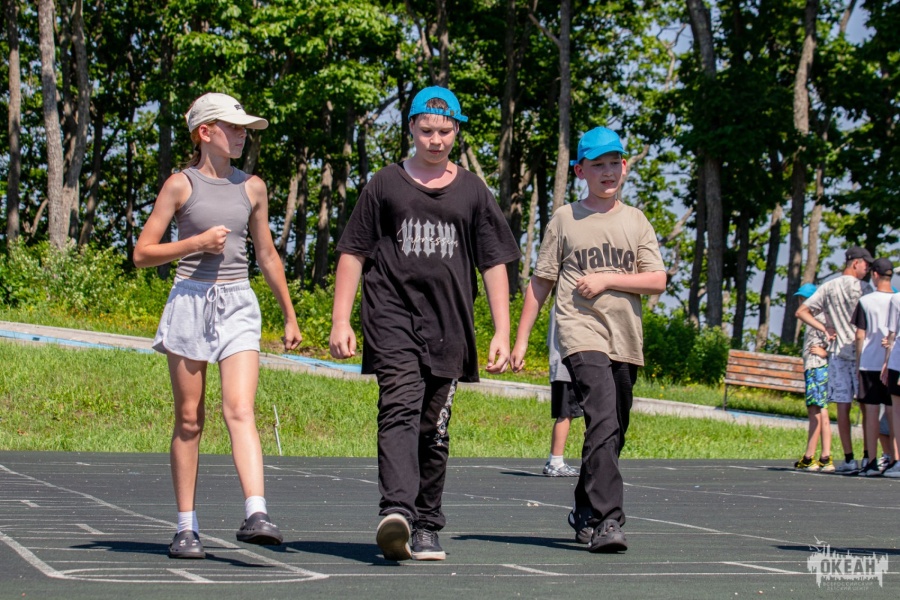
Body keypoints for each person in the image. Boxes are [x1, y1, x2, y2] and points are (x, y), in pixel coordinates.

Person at [328, 86, 521, 562]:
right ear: (411, 128)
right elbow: (353, 252)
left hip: (450, 325)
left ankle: (427, 524)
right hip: (391, 316)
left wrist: (502, 330)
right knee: (398, 407)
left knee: (433, 427)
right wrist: (340, 319)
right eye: (427, 130)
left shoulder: (473, 191)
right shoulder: (384, 184)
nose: (436, 140)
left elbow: (494, 262)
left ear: (456, 132)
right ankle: (396, 513)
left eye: (445, 131)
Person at [134, 92, 302, 559]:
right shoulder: (179, 185)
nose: (242, 135)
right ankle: (186, 527)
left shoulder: (253, 187)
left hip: (238, 303)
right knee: (190, 419)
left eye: (244, 128)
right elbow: (143, 253)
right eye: (233, 127)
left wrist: (289, 313)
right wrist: (196, 243)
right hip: (190, 302)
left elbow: (267, 254)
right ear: (205, 132)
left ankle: (256, 513)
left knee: (240, 409)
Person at [510, 126, 666, 553]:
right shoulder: (565, 219)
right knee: (602, 420)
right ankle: (608, 521)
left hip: (625, 339)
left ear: (625, 166)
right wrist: (521, 339)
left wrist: (608, 279)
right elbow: (541, 282)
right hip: (580, 333)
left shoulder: (636, 221)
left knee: (613, 430)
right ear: (580, 170)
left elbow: (657, 279)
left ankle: (584, 507)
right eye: (597, 165)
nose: (607, 171)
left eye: (614, 163)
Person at [796, 246, 873, 474]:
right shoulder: (866, 289)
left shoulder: (829, 287)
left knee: (842, 407)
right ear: (855, 263)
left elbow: (802, 311)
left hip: (838, 353)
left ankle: (849, 458)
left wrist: (825, 328)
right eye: (866, 264)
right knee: (867, 407)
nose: (868, 269)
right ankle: (868, 456)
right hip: (863, 353)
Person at [853, 258, 895, 476]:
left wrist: (858, 362)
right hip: (893, 363)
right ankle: (894, 459)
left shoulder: (866, 301)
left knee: (870, 412)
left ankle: (870, 461)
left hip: (869, 363)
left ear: (875, 275)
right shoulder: (898, 299)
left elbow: (860, 335)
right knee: (893, 412)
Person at [793, 283, 833, 473]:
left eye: (803, 299)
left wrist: (826, 352)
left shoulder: (819, 318)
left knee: (815, 411)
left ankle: (810, 457)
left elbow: (835, 338)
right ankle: (825, 456)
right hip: (816, 367)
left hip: (817, 366)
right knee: (821, 411)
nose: (801, 302)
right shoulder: (818, 319)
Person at [544, 308, 583, 477]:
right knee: (566, 413)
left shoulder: (558, 306)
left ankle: (555, 461)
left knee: (566, 413)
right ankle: (555, 461)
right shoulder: (567, 306)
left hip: (561, 366)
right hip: (566, 368)